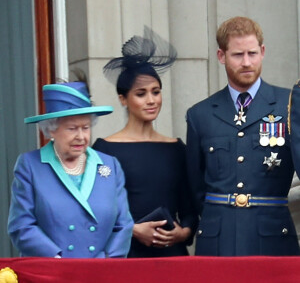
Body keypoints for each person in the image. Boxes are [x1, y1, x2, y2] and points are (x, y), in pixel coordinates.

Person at [186, 16, 300, 256]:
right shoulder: (200, 114)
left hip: (272, 239)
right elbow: (195, 187)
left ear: (263, 51)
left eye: (252, 53)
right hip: (219, 240)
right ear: (221, 56)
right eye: (238, 55)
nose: (247, 62)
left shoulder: (289, 104)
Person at [93, 27, 198, 257]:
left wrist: (183, 233)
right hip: (126, 257)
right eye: (141, 94)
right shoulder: (104, 150)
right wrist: (133, 229)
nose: (151, 100)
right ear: (123, 99)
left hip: (173, 258)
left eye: (156, 91)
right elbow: (96, 210)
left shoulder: (177, 149)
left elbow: (190, 210)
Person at [7, 79, 134, 258]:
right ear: (52, 129)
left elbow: (123, 225)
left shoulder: (109, 165)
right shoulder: (30, 166)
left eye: (86, 128)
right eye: (72, 129)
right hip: (52, 272)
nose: (81, 137)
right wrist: (59, 261)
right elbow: (21, 225)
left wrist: (106, 261)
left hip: (101, 273)